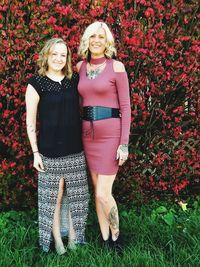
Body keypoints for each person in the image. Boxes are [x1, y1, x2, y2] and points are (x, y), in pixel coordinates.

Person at [25, 38, 89, 255]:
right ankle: (57, 243)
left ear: (67, 58)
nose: (59, 58)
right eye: (55, 54)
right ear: (47, 55)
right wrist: (35, 152)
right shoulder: (36, 83)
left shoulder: (74, 80)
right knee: (55, 196)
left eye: (63, 55)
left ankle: (72, 238)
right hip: (49, 149)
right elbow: (31, 121)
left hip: (74, 147)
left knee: (75, 195)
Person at [77, 21, 131, 250]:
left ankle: (118, 237)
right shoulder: (79, 66)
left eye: (101, 37)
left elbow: (126, 107)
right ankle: (105, 238)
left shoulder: (116, 67)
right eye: (92, 37)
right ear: (86, 41)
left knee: (102, 192)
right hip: (87, 135)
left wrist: (124, 144)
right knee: (96, 188)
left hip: (110, 135)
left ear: (107, 41)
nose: (96, 40)